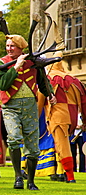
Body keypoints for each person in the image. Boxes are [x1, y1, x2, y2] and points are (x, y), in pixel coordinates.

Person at [0, 34, 57, 190]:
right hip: (10, 106)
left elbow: (43, 81)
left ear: (21, 47)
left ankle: (31, 181)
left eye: (12, 46)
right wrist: (15, 67)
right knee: (14, 138)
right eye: (7, 46)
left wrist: (50, 94)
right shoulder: (2, 63)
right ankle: (17, 177)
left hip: (30, 106)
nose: (9, 49)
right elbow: (2, 84)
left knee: (32, 144)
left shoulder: (33, 62)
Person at [37, 51, 86, 183]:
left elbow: (40, 102)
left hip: (57, 117)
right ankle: (64, 174)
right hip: (73, 117)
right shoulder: (75, 80)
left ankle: (70, 177)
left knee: (62, 146)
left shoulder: (48, 79)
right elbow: (84, 102)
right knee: (64, 145)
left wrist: (34, 120)